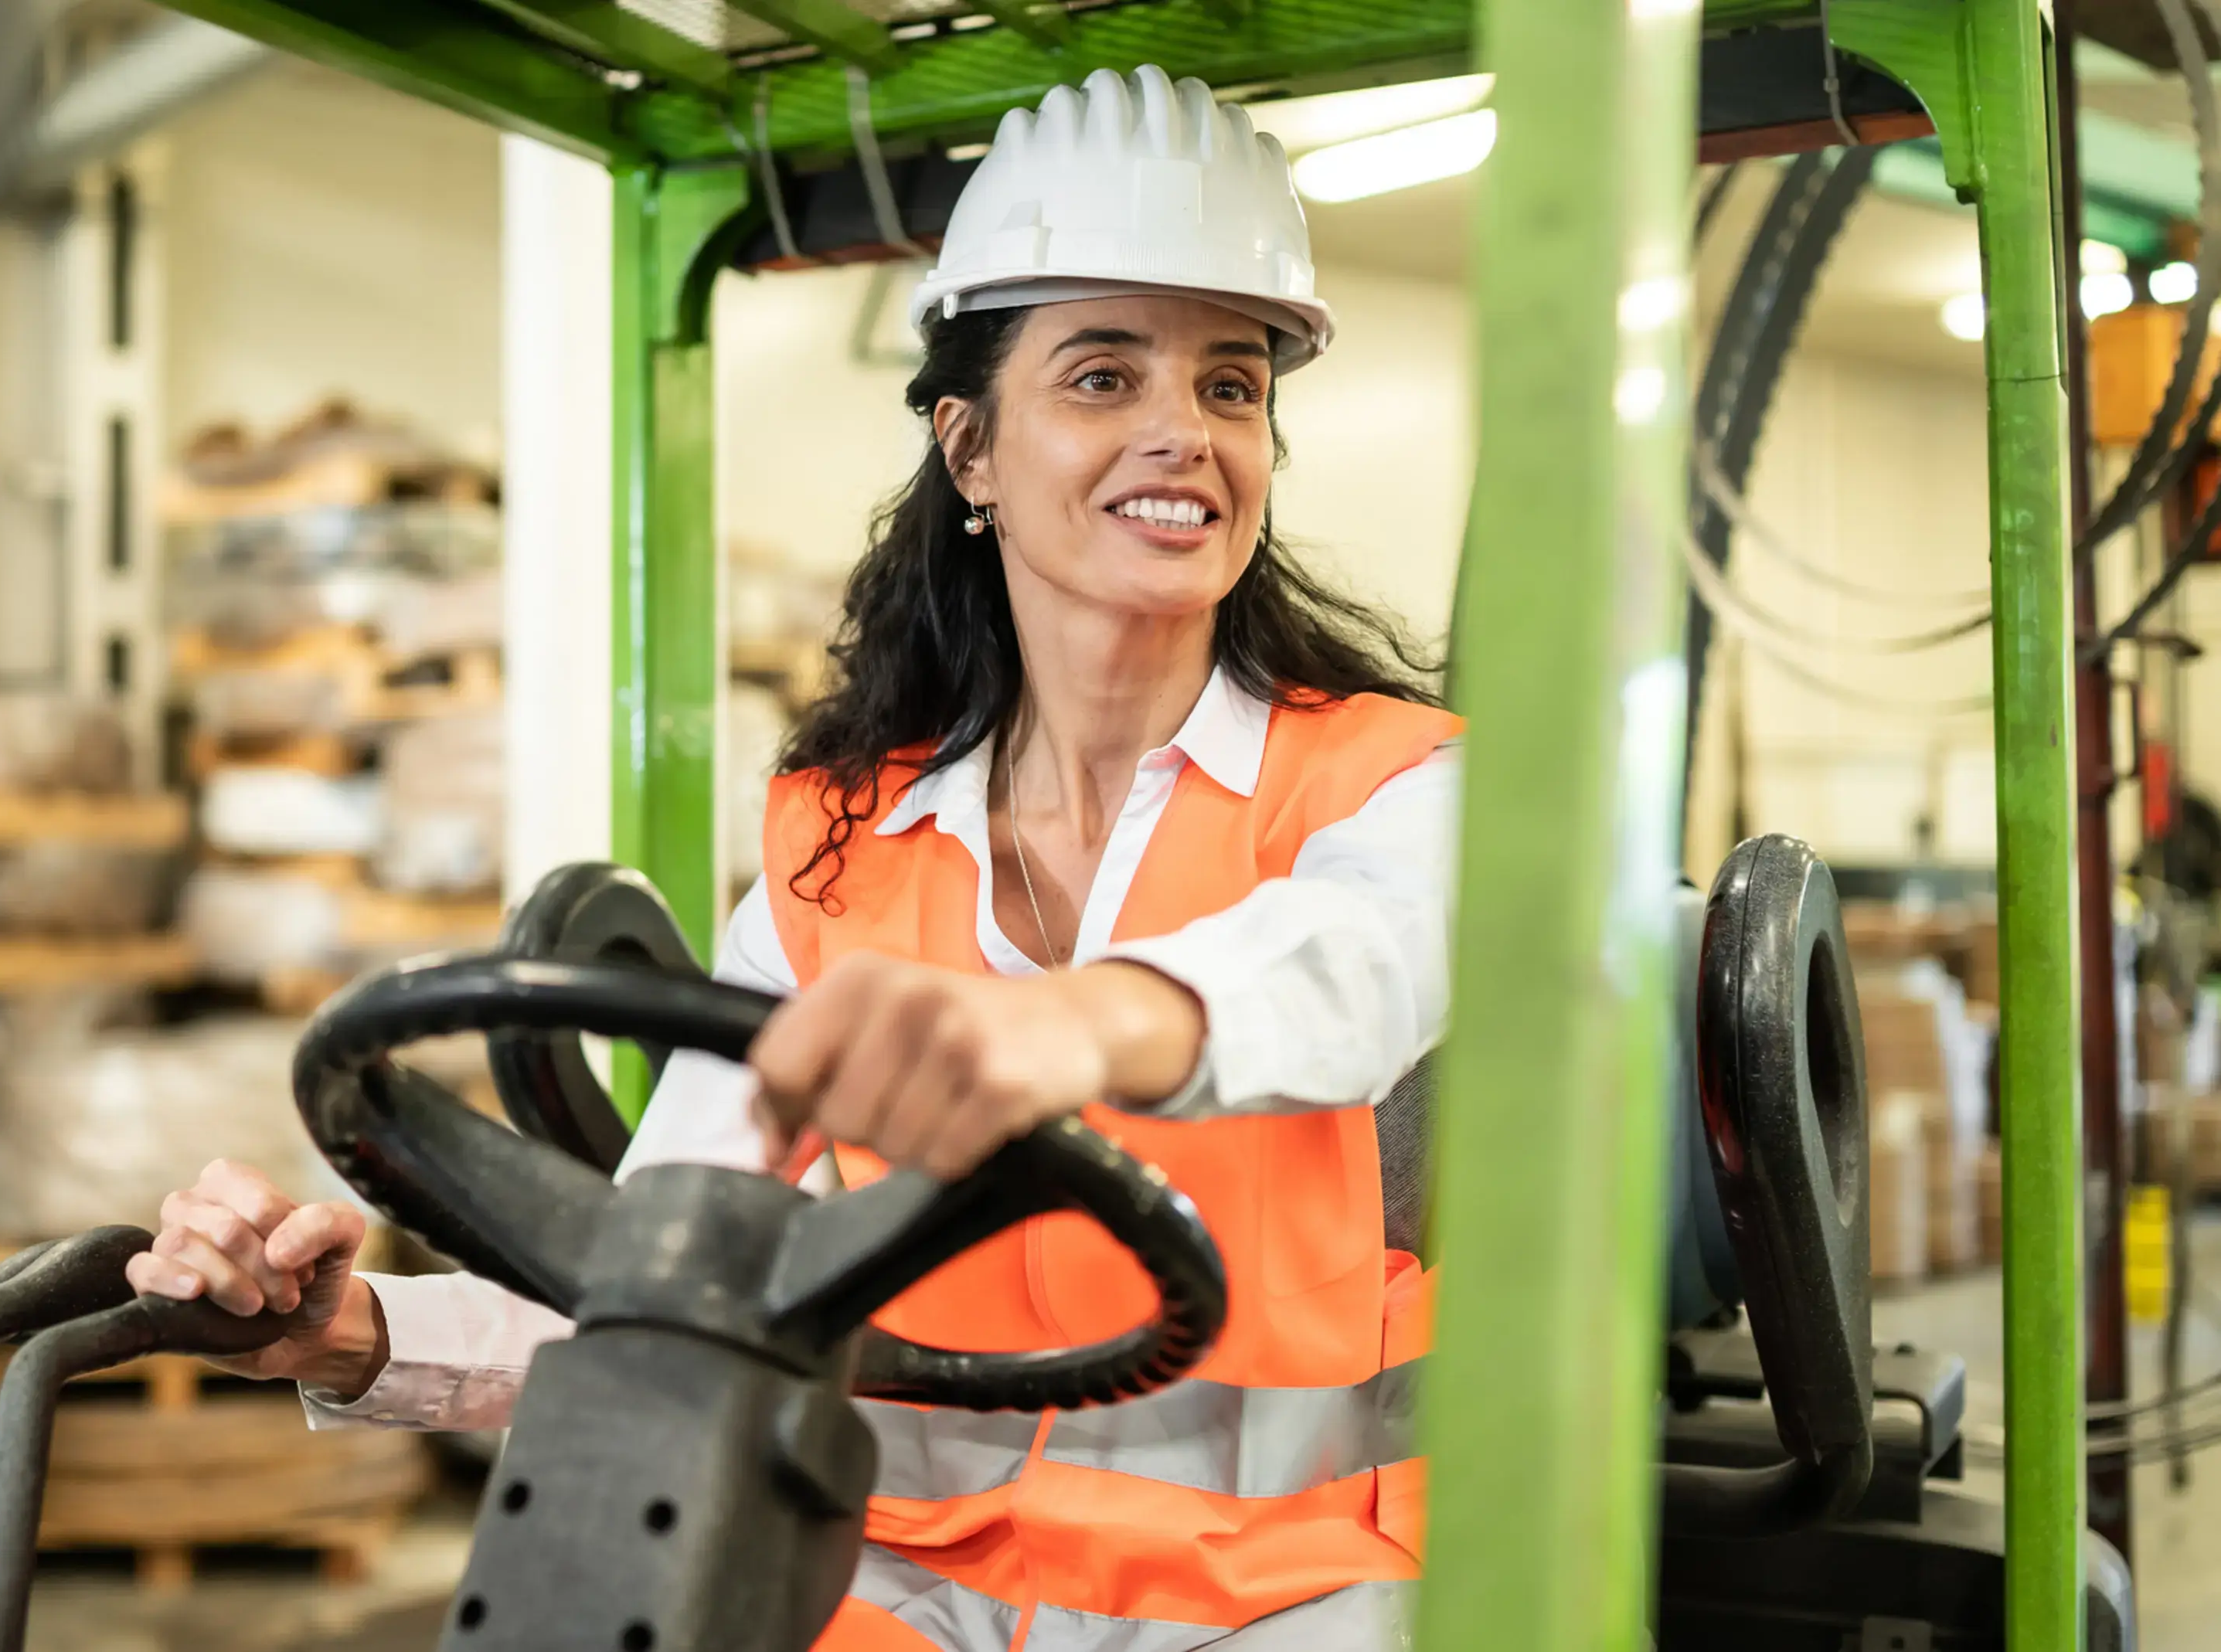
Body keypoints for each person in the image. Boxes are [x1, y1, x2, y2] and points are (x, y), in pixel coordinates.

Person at [131, 64, 1461, 1652]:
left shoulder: (1394, 787)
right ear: (968, 451)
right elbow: (667, 1278)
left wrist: (1072, 1020)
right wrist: (354, 1334)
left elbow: (1350, 969)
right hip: (912, 1589)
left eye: (1230, 385)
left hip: (1273, 1601)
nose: (1182, 432)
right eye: (1103, 377)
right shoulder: (843, 853)